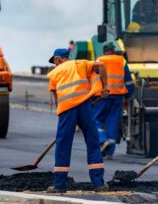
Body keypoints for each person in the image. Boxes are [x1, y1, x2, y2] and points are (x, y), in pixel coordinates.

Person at [46, 48, 110, 193]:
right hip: (85, 107)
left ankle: (59, 185)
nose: (55, 65)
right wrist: (105, 87)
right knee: (93, 143)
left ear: (58, 59)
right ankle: (99, 183)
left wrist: (66, 121)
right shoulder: (80, 64)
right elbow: (101, 66)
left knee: (63, 145)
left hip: (67, 110)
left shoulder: (54, 74)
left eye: (54, 62)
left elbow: (57, 101)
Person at [94, 43, 135, 160]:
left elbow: (94, 79)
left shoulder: (99, 60)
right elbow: (128, 81)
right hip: (118, 96)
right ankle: (109, 152)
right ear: (113, 50)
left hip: (102, 96)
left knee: (95, 119)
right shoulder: (121, 61)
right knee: (112, 122)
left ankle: (102, 139)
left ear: (104, 51)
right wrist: (128, 96)